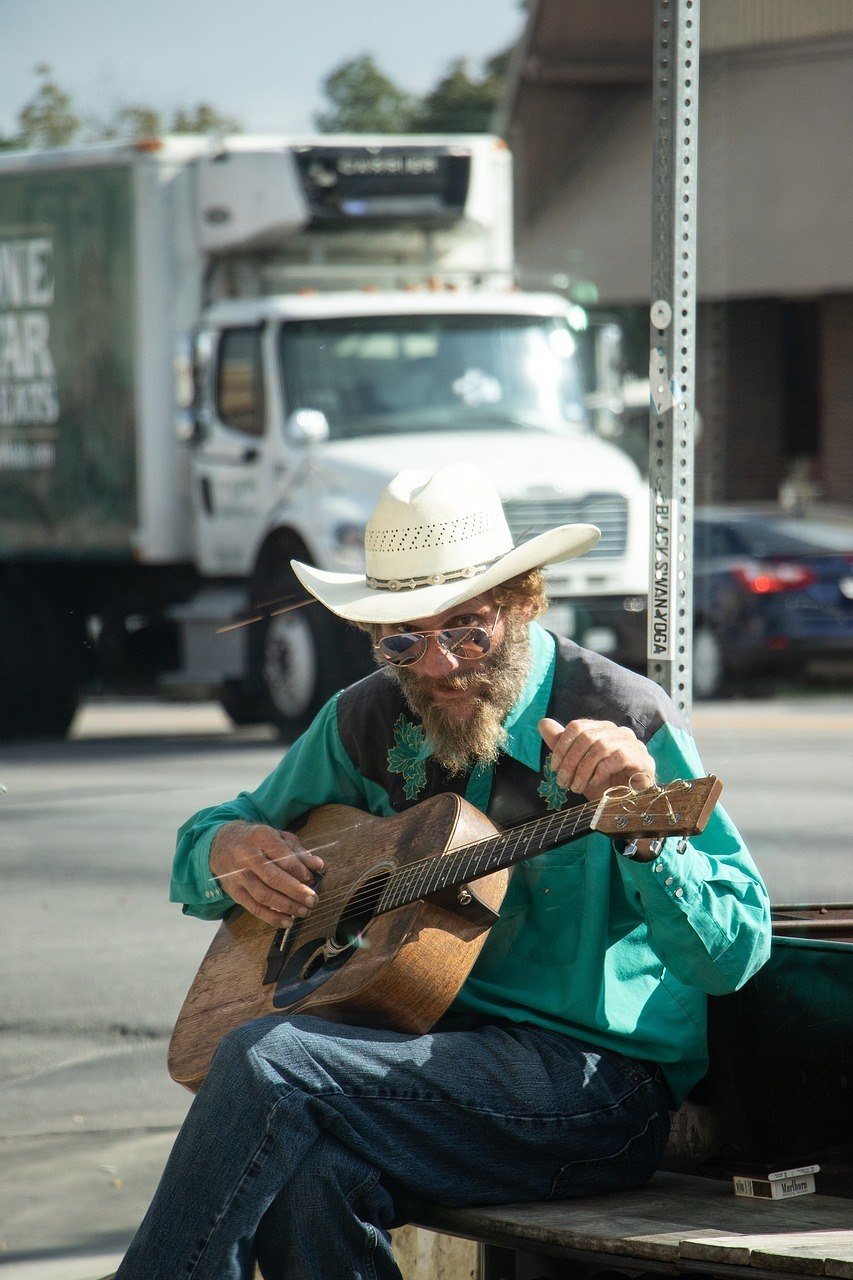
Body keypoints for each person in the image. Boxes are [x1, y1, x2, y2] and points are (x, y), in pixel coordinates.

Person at [116, 463, 771, 1280]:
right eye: (403, 639)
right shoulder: (365, 717)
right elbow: (211, 833)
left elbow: (733, 954)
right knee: (309, 1179)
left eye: (468, 629)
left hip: (595, 1092)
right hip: (414, 1066)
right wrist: (226, 851)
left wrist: (645, 835)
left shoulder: (619, 716)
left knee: (265, 1058)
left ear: (524, 601)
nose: (439, 666)